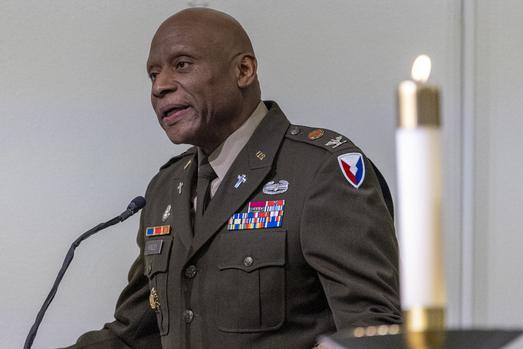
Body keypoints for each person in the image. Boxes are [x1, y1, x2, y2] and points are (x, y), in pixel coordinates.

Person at [62, 7, 400, 349]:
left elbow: (371, 330)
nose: (160, 86)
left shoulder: (319, 171)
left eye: (182, 64)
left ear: (243, 70)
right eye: (153, 74)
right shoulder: (165, 188)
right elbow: (133, 336)